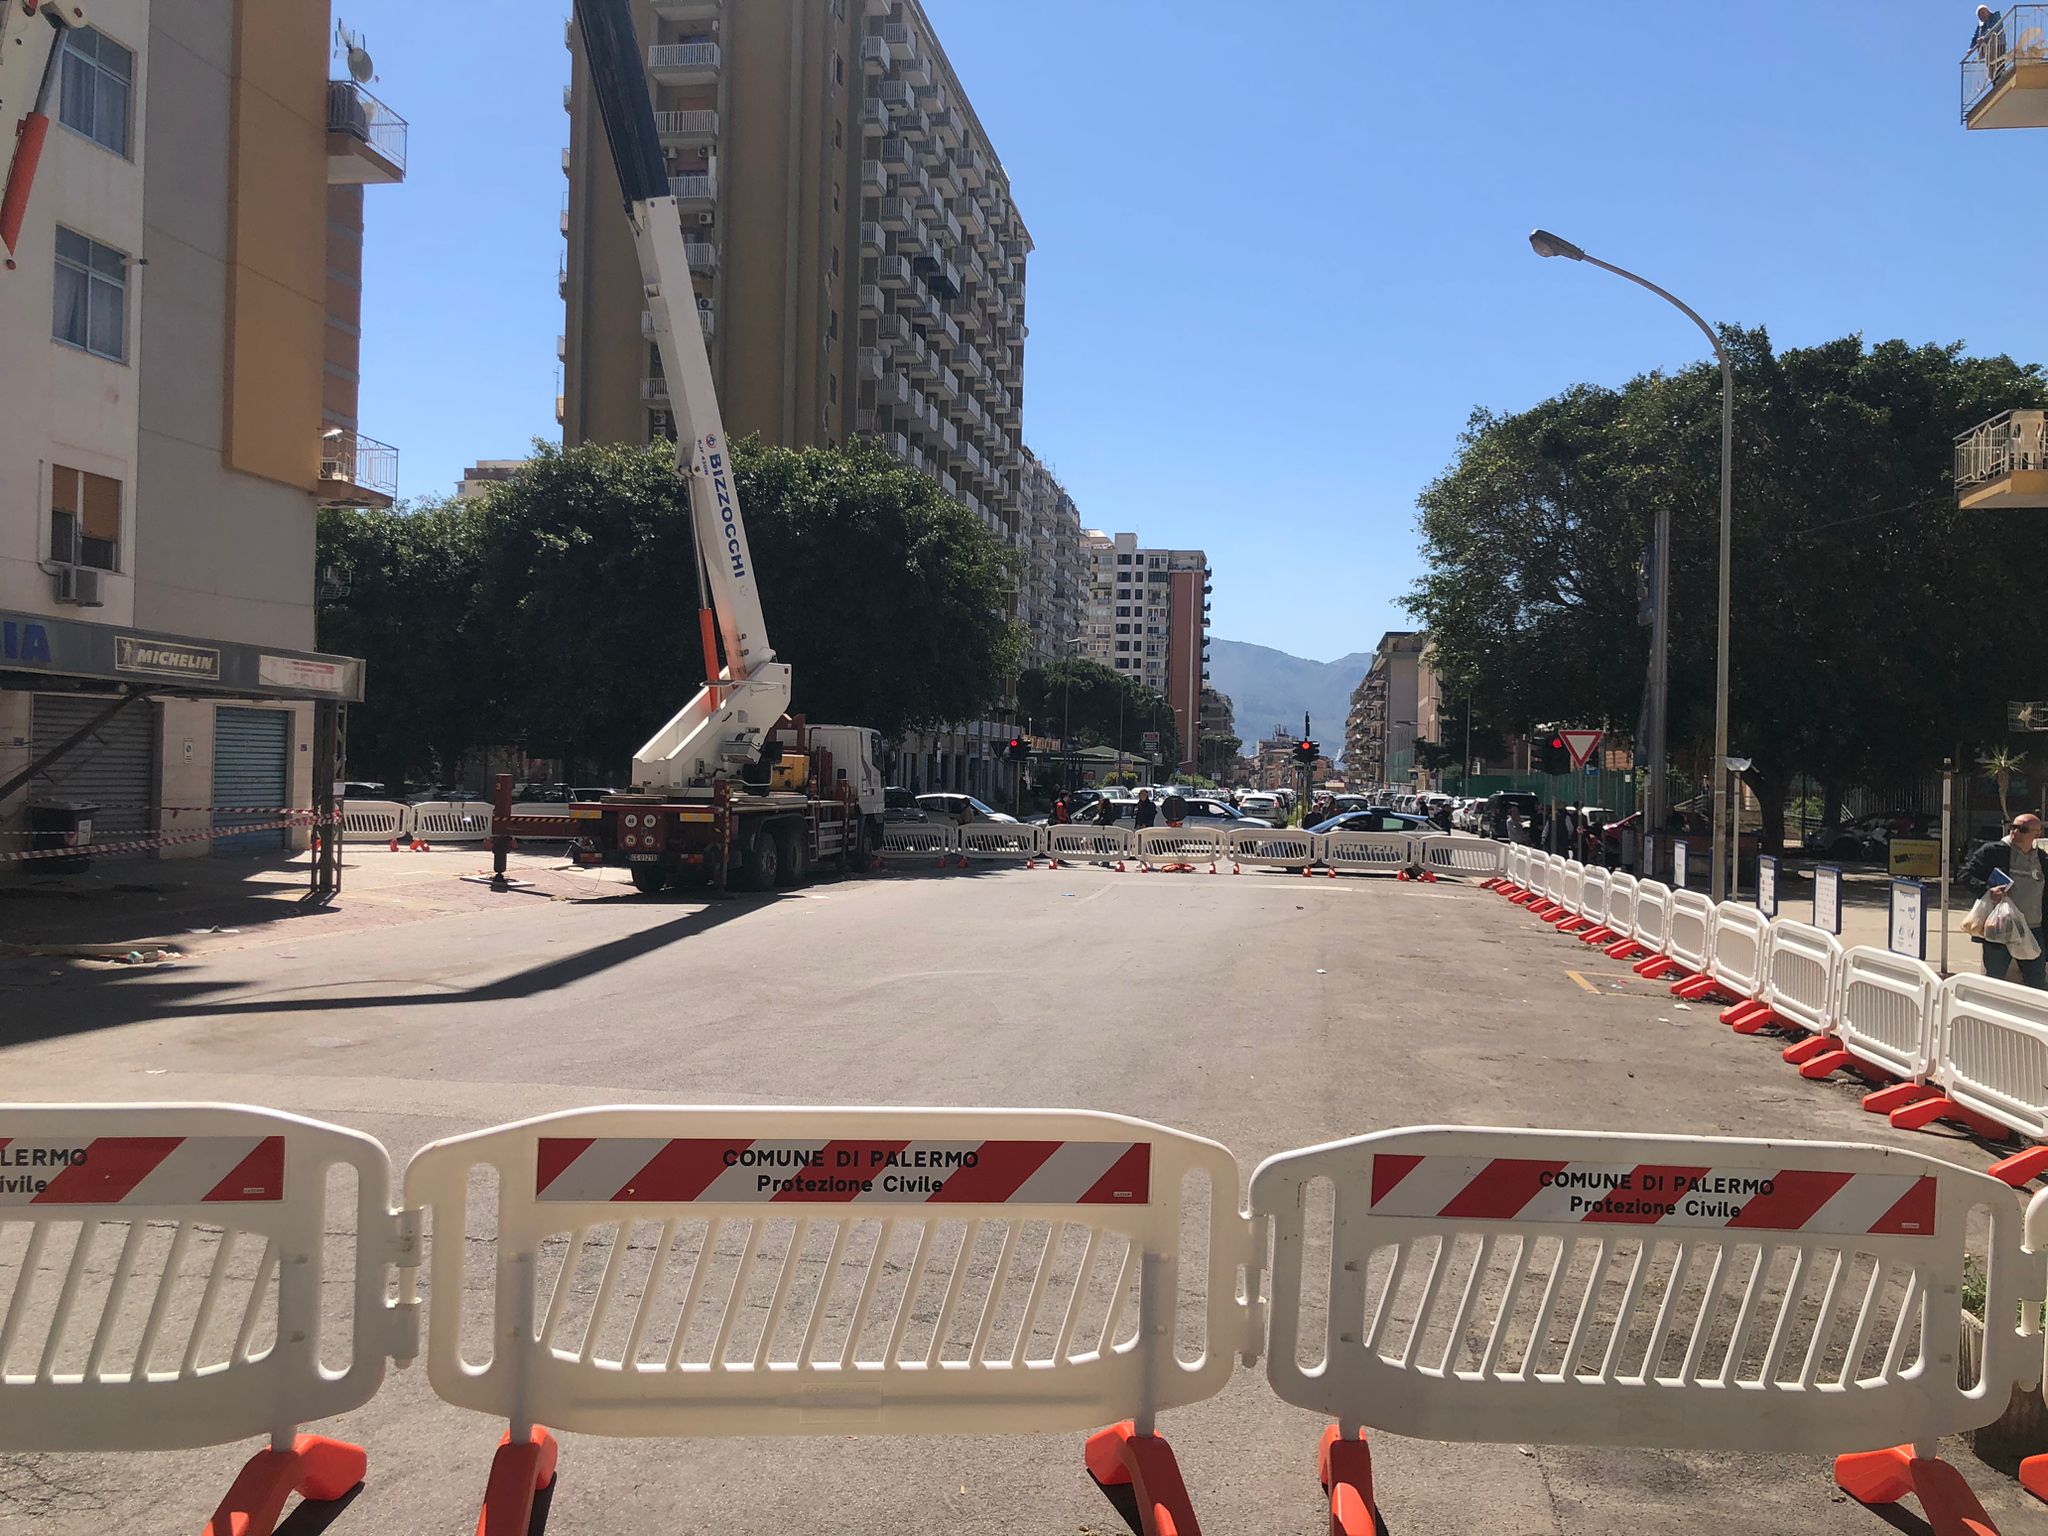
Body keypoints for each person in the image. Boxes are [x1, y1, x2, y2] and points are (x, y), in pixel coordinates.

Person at [1964, 812, 2048, 988]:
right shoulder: (1993, 852)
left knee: (2036, 981)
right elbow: (1965, 875)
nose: (2015, 831)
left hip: (2033, 929)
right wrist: (1986, 889)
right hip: (2000, 928)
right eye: (2013, 827)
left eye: (2022, 829)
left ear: (2037, 833)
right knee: (1994, 980)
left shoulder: (2042, 859)